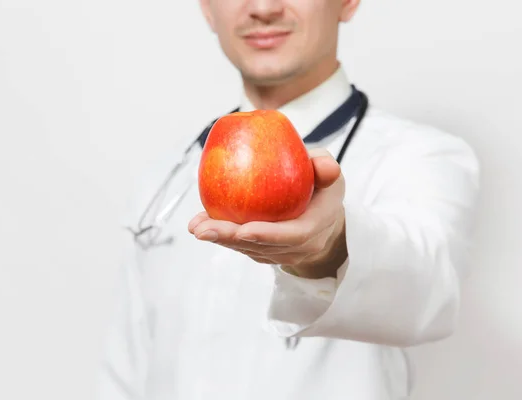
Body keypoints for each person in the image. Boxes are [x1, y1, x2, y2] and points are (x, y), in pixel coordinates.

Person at [97, 0, 480, 399]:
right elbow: (126, 368)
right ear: (207, 9)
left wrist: (328, 248)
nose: (262, 8)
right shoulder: (168, 178)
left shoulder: (422, 157)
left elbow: (429, 295)